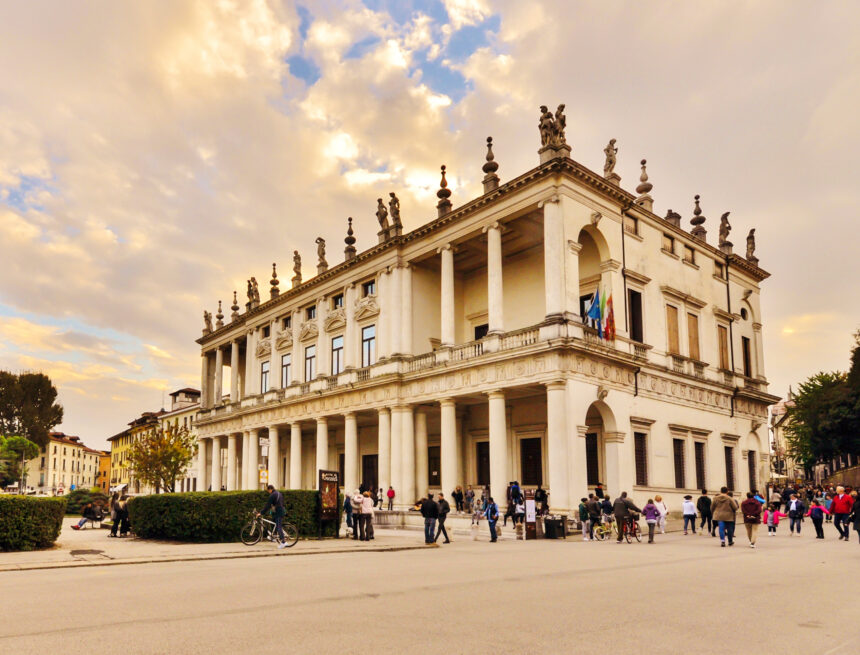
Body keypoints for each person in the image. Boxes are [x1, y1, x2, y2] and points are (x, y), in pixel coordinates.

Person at [257, 484, 288, 549]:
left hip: (278, 512)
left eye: (268, 491)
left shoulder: (272, 495)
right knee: (273, 523)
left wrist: (261, 513)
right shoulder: (279, 493)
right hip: (279, 511)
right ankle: (273, 537)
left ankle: (283, 542)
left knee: (279, 527)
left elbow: (267, 505)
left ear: (270, 489)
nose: (268, 492)